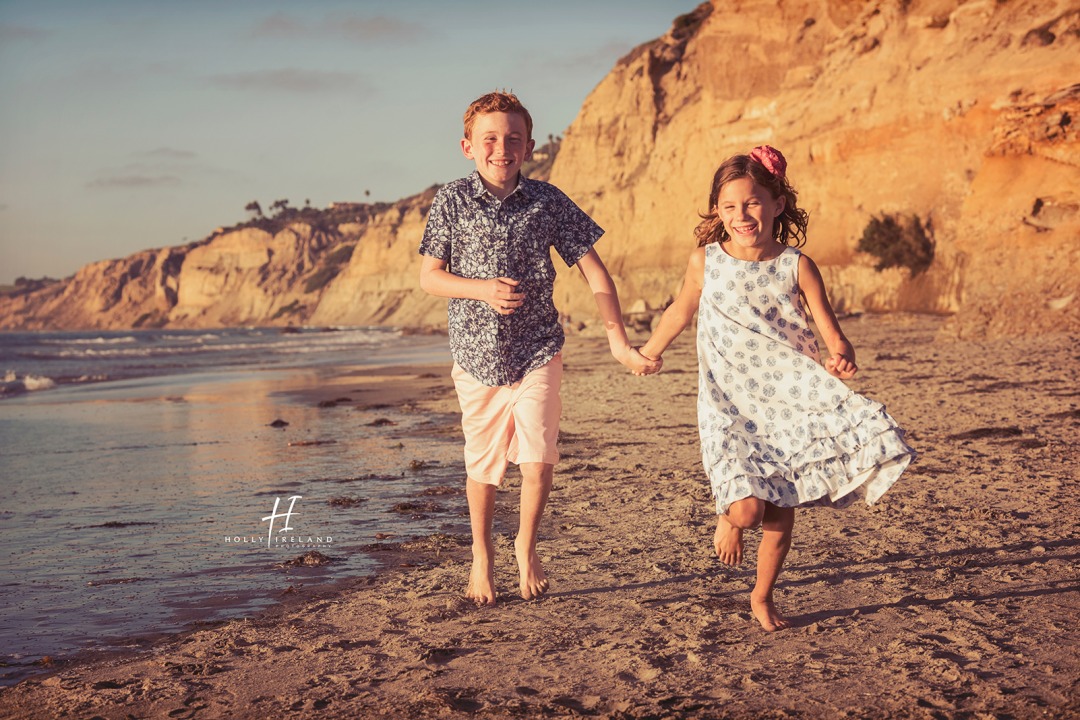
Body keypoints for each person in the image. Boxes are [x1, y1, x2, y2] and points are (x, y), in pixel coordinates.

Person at [640, 146, 915, 631]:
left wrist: (840, 352)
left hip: (788, 399)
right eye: (729, 207)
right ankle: (727, 516)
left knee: (780, 514)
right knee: (746, 510)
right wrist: (652, 351)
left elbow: (828, 326)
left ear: (776, 204)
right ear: (717, 212)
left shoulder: (796, 265)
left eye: (751, 203)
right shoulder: (706, 262)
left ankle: (762, 596)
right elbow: (680, 310)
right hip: (728, 400)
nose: (741, 216)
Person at [419, 91, 660, 606]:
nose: (500, 148)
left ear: (528, 147)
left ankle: (526, 544)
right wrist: (482, 288)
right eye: (489, 139)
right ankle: (482, 556)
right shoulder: (451, 200)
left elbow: (595, 271)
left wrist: (618, 339)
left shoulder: (548, 201)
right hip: (476, 357)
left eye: (512, 139)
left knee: (538, 457)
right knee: (482, 465)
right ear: (467, 147)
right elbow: (430, 278)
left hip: (538, 349)